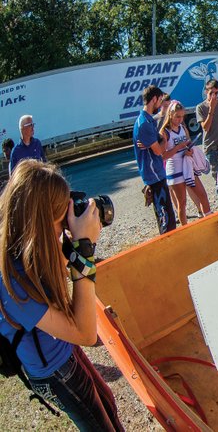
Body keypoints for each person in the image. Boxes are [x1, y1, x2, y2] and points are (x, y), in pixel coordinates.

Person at [0, 159, 124, 430]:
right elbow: (85, 333)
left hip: (64, 349)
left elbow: (58, 285)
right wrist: (84, 250)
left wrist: (69, 246)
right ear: (39, 221)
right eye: (60, 218)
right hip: (55, 371)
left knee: (108, 403)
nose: (65, 223)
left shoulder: (29, 244)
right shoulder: (11, 283)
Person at [158, 101, 211, 225]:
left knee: (202, 194)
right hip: (175, 169)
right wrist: (178, 147)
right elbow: (162, 156)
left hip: (187, 167)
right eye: (177, 116)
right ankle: (185, 228)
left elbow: (188, 143)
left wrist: (190, 150)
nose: (180, 119)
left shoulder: (183, 128)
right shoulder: (164, 132)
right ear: (170, 115)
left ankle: (208, 219)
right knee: (182, 203)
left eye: (182, 116)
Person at [133, 85, 177, 234]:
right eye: (159, 100)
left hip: (158, 173)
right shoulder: (144, 124)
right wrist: (163, 141)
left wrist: (159, 141)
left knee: (169, 215)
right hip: (154, 176)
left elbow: (157, 143)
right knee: (165, 218)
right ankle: (168, 248)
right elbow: (159, 150)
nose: (160, 103)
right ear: (154, 99)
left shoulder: (148, 120)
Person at [195, 79, 218, 185]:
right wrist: (211, 109)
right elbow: (205, 128)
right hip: (210, 147)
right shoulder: (200, 107)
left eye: (216, 93)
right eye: (211, 93)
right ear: (206, 92)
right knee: (217, 178)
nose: (214, 96)